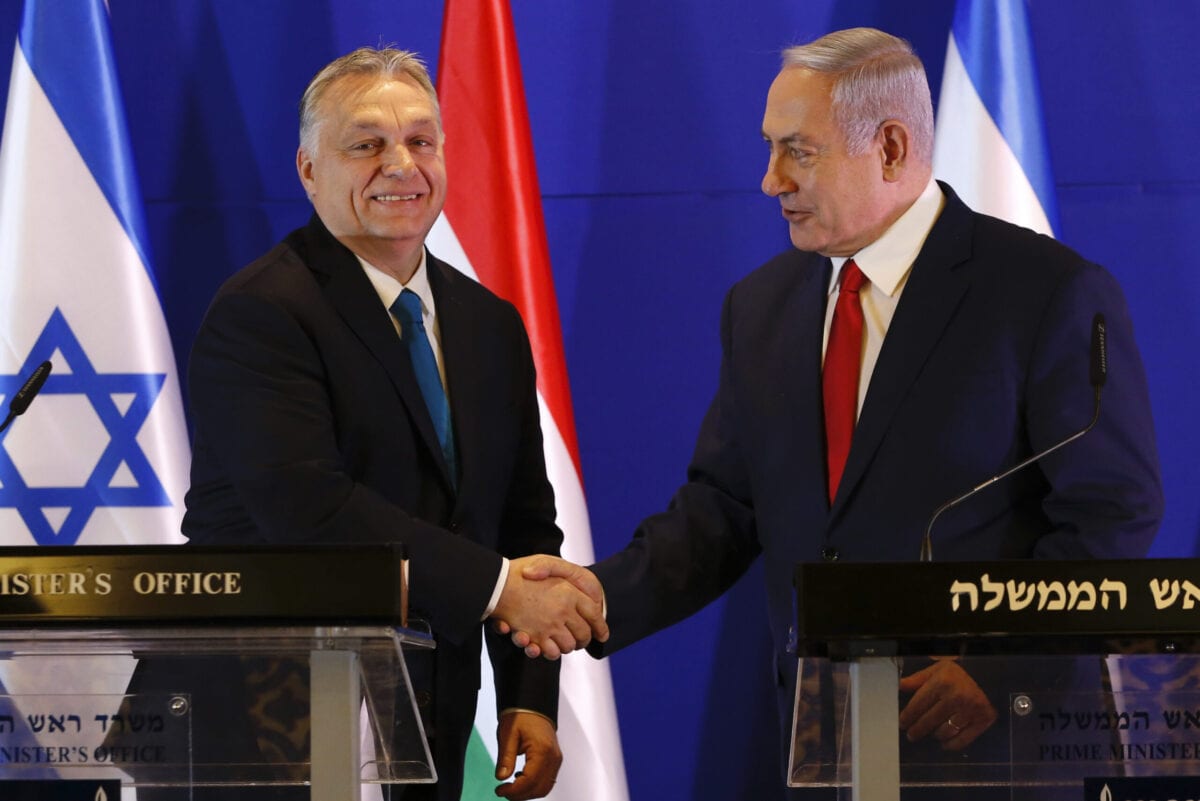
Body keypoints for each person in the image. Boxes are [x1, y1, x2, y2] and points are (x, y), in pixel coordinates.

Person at [504, 26, 1163, 789]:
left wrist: (999, 663)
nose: (770, 179)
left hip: (996, 751)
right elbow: (722, 512)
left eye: (798, 150)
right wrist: (593, 598)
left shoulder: (1042, 292)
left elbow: (1112, 512)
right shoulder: (762, 307)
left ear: (889, 148)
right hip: (827, 748)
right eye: (768, 148)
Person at [174, 46, 605, 801]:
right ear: (309, 170)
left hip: (422, 731)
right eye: (367, 144)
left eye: (421, 141)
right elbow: (311, 509)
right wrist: (504, 589)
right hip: (259, 730)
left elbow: (523, 522)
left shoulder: (488, 324)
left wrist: (527, 694)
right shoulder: (263, 313)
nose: (401, 163)